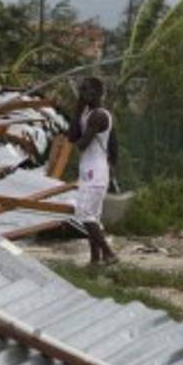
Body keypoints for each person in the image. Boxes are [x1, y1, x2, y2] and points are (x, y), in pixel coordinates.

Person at [68, 76, 118, 266]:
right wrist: (78, 109)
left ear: (97, 94)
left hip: (96, 171)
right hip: (90, 170)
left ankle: (109, 253)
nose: (83, 94)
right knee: (93, 217)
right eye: (82, 90)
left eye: (87, 91)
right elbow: (73, 135)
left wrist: (111, 168)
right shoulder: (86, 114)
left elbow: (81, 144)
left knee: (85, 214)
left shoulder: (99, 115)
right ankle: (95, 259)